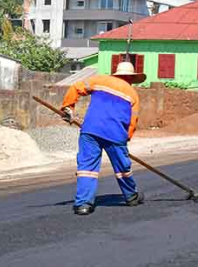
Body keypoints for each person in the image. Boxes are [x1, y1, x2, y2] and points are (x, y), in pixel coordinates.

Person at [61, 60, 145, 215]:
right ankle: (131, 197)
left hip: (90, 130)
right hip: (116, 135)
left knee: (87, 168)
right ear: (131, 78)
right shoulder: (133, 94)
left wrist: (68, 107)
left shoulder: (100, 80)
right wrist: (126, 139)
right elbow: (132, 121)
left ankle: (83, 205)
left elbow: (75, 87)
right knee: (123, 168)